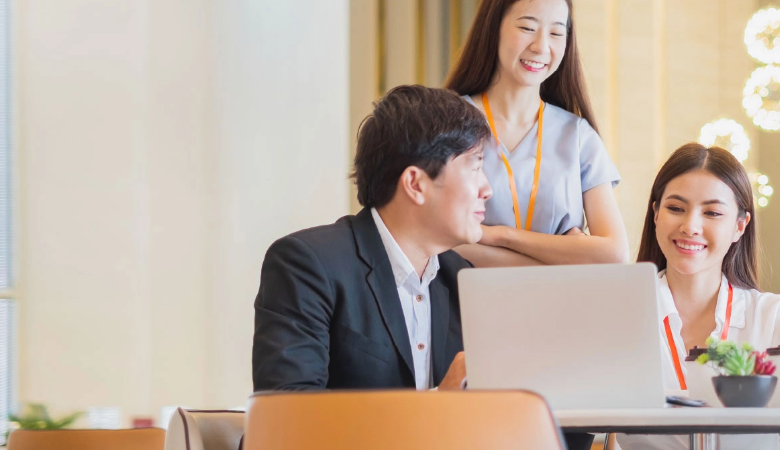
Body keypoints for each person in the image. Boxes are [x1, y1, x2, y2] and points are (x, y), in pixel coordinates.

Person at [617, 144, 780, 450]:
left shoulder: (777, 316)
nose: (690, 226)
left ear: (739, 225)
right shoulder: (619, 314)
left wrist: (771, 391)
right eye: (676, 208)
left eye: (712, 212)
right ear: (655, 214)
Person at [251, 85, 490, 393]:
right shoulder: (308, 264)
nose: (487, 189)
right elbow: (287, 415)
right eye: (476, 167)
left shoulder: (461, 278)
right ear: (416, 184)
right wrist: (439, 404)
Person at [445, 0, 628, 267]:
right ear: (493, 28)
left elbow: (615, 254)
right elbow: (440, 244)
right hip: (462, 303)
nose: (541, 47)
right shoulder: (448, 121)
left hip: (560, 306)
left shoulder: (578, 136)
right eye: (528, 28)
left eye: (555, 33)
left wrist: (497, 236)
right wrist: (564, 255)